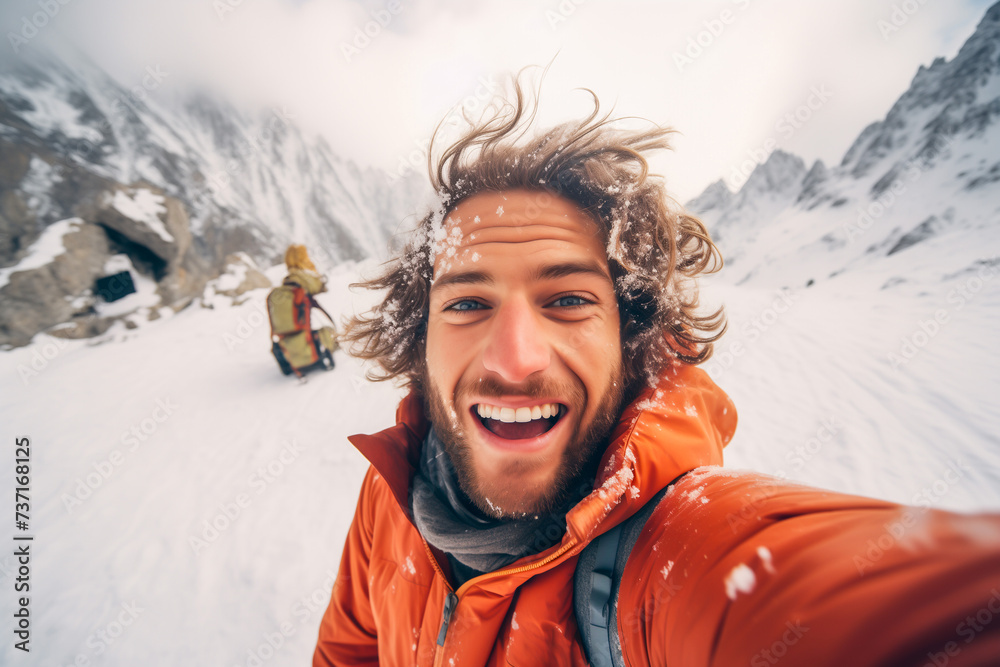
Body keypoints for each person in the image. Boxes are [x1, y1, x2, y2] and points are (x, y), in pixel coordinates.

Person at [312, 79, 1000, 666]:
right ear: (420, 338)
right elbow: (348, 650)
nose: (514, 357)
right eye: (466, 302)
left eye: (568, 299)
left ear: (631, 338)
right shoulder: (391, 494)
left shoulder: (672, 557)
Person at [268, 244, 337, 375]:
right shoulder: (303, 277)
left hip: (287, 340)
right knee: (331, 332)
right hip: (307, 337)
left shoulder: (287, 282)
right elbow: (321, 286)